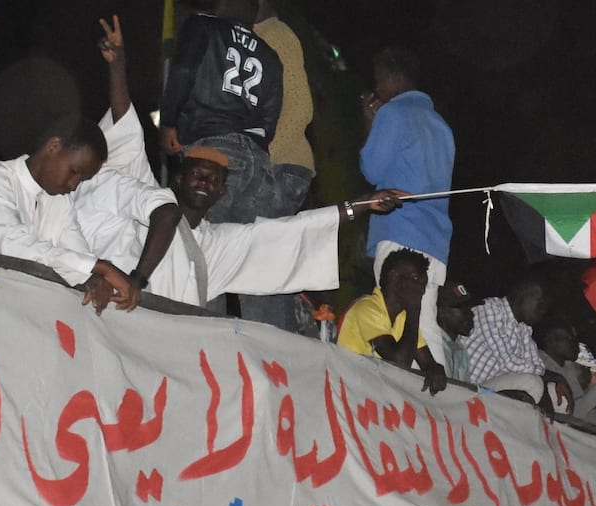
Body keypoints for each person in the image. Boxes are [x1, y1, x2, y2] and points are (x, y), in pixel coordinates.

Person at [75, 19, 400, 312]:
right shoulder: (148, 200)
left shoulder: (218, 244)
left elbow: (292, 231)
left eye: (214, 179)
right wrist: (118, 65)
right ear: (178, 177)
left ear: (222, 191)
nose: (204, 181)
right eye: (199, 173)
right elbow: (125, 130)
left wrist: (362, 204)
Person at [0, 115, 138, 315]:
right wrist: (99, 267)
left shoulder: (60, 202)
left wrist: (94, 278)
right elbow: (13, 246)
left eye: (82, 179)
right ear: (53, 146)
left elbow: (78, 254)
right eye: (73, 171)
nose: (73, 185)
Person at [360, 45, 455, 365]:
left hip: (401, 233)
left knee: (414, 326)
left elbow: (372, 170)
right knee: (423, 322)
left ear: (392, 76)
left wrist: (369, 124)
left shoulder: (393, 113)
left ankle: (438, 407)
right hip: (436, 240)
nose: (376, 88)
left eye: (378, 79)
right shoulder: (441, 126)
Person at [160, 0, 282, 228]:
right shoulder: (271, 55)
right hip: (258, 161)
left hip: (212, 152)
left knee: (199, 242)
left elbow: (183, 71)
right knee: (240, 252)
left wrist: (168, 122)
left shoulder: (201, 25)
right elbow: (271, 118)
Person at [236, 0, 317, 331]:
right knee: (261, 267)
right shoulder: (257, 35)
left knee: (263, 271)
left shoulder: (275, 35)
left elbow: (301, 109)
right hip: (277, 164)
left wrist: (262, 154)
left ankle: (276, 351)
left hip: (281, 164)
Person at [337, 248, 447, 395]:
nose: (421, 289)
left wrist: (435, 369)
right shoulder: (367, 308)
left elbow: (427, 362)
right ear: (393, 277)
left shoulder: (401, 319)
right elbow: (400, 363)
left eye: (423, 283)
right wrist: (414, 310)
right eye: (415, 279)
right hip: (345, 391)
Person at [461, 274, 548, 386]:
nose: (543, 311)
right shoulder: (489, 309)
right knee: (532, 382)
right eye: (540, 304)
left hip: (488, 389)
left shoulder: (524, 328)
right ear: (522, 293)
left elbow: (537, 364)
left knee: (547, 388)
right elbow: (509, 363)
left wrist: (544, 374)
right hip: (466, 387)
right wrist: (541, 372)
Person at [436, 280, 481, 383]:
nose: (471, 314)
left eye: (470, 308)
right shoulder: (434, 343)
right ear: (442, 312)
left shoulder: (460, 349)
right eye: (463, 309)